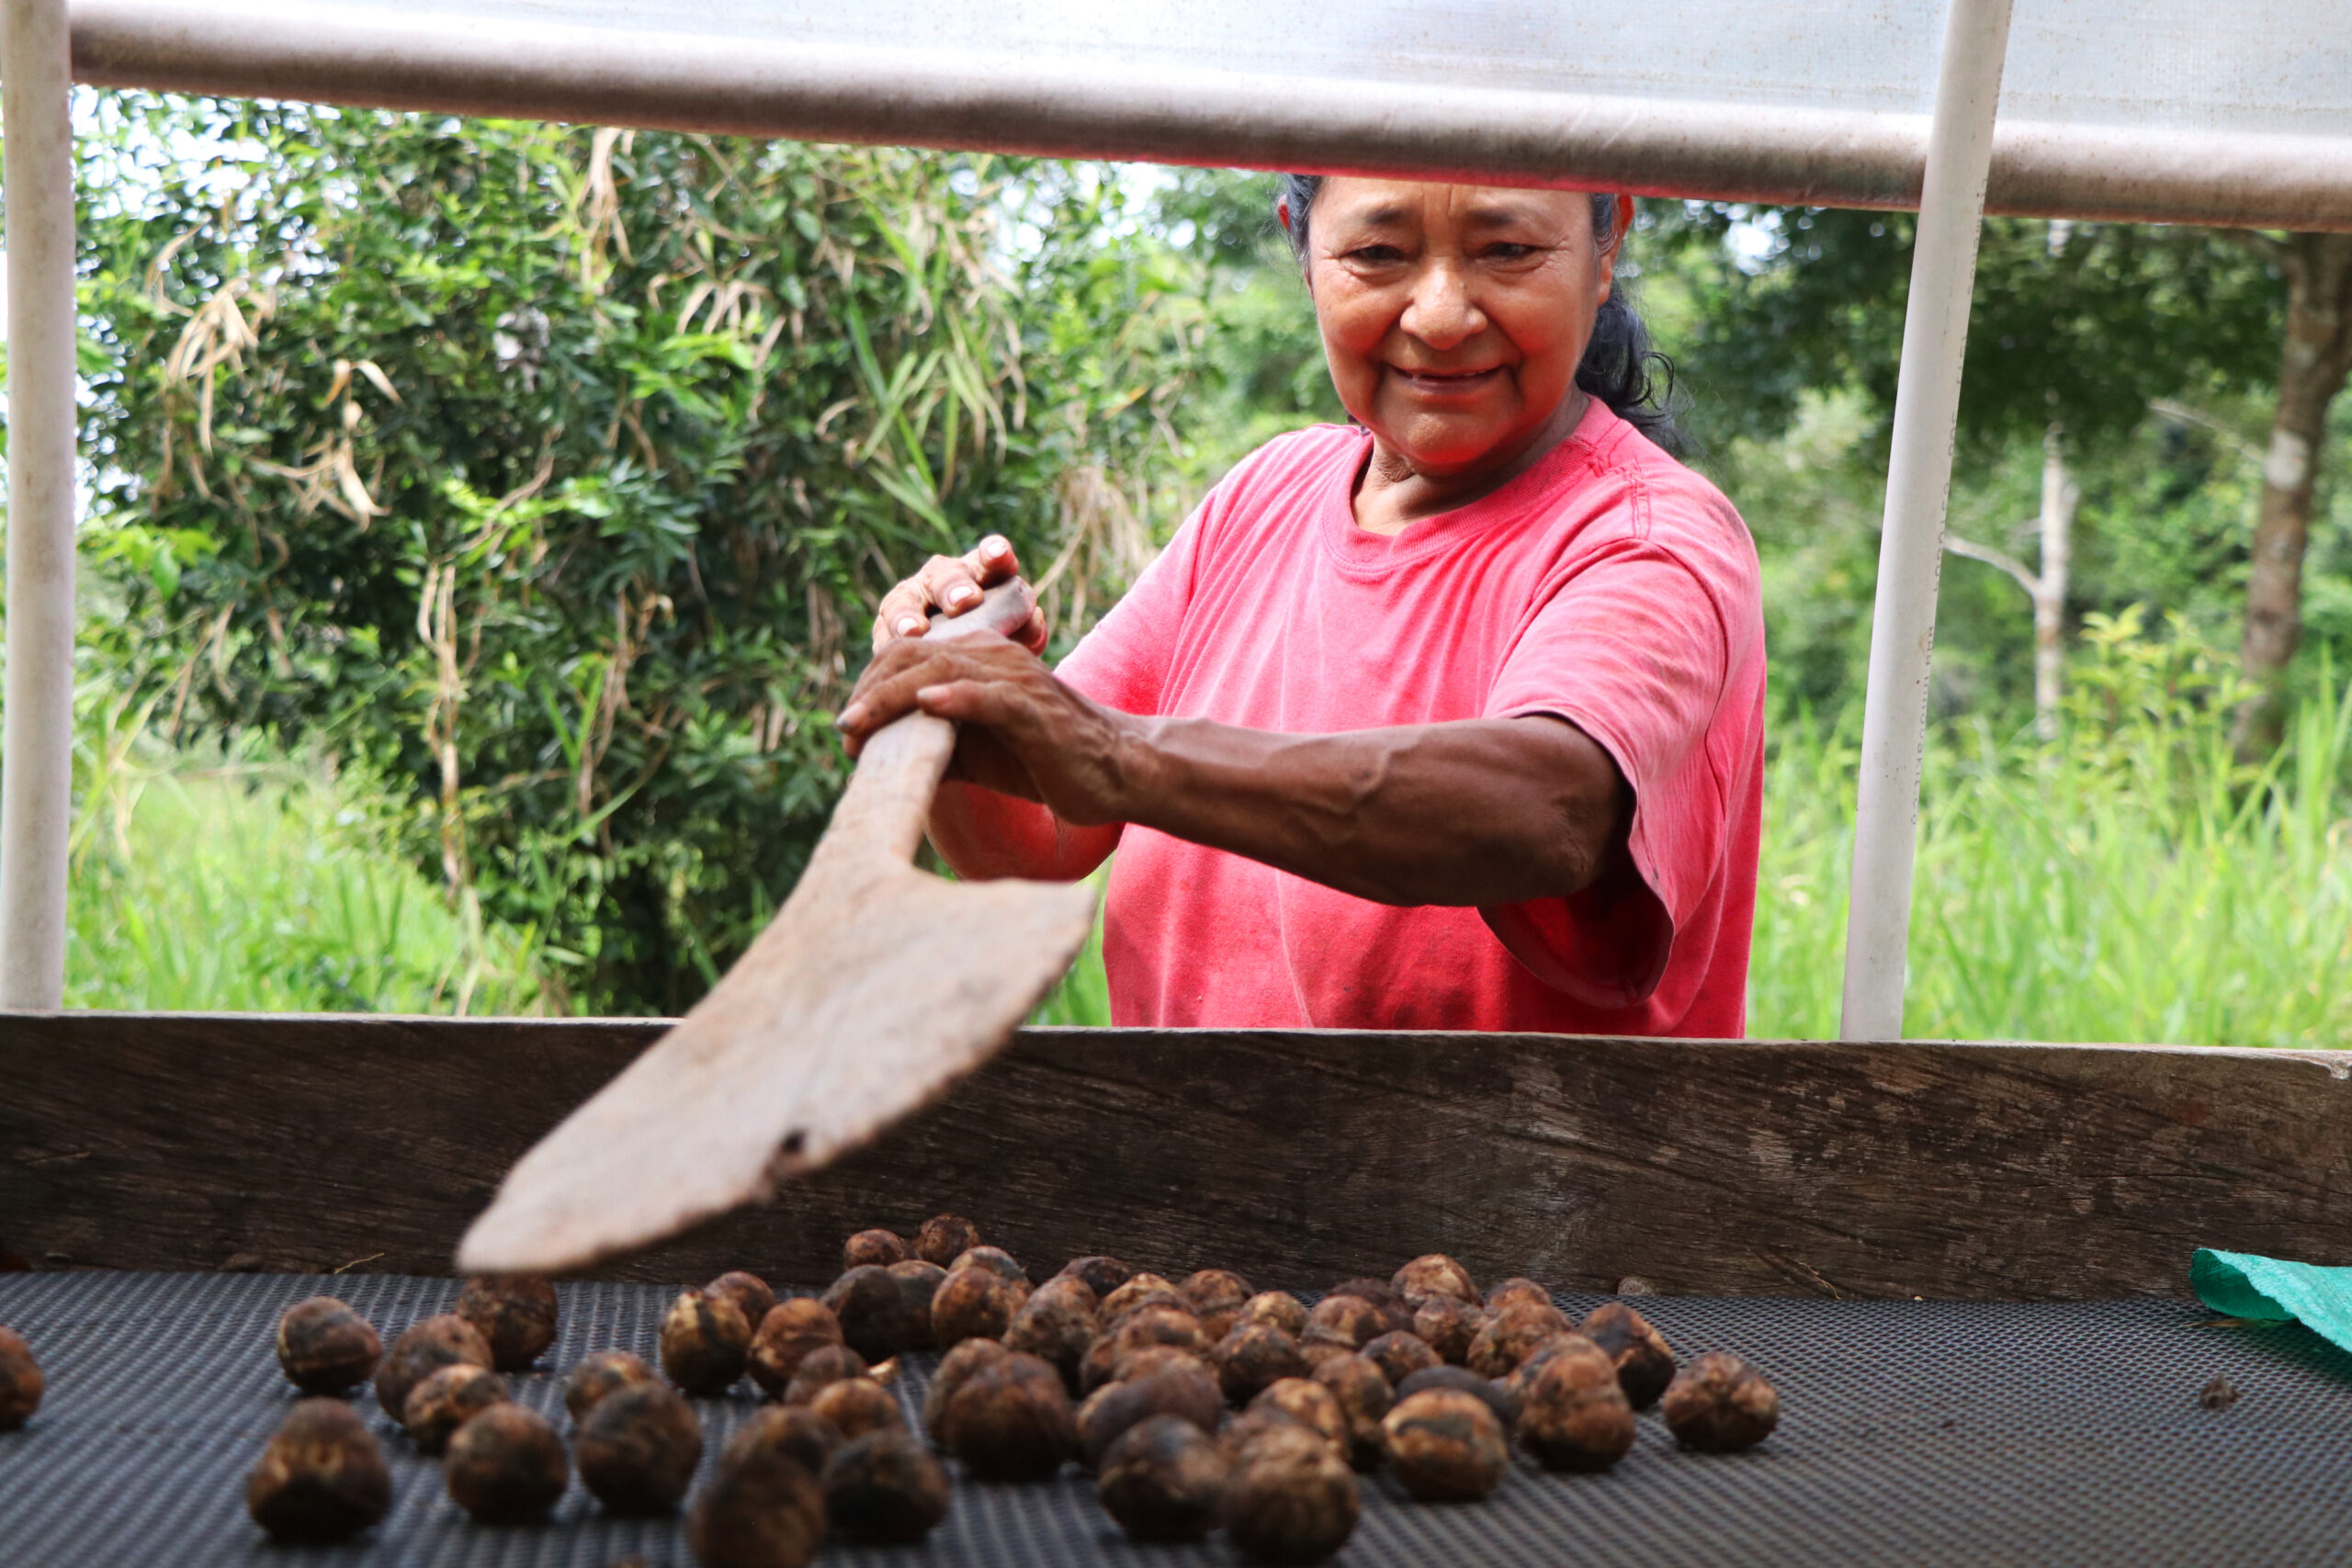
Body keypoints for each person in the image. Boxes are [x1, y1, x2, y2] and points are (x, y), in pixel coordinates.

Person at [836, 176, 1764, 1036]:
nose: (1440, 316)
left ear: (1605, 252)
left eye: (1507, 249)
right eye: (1377, 255)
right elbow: (1036, 837)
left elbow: (1546, 810)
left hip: (1512, 1209)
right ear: (1303, 249)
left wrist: (1116, 754)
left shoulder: (1650, 538)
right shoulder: (1266, 495)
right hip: (1183, 1194)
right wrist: (951, 696)